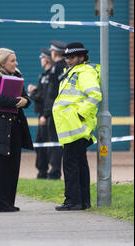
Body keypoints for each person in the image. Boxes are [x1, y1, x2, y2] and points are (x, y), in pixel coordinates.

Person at [0, 48, 33, 212]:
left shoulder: (17, 75)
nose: (16, 63)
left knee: (14, 166)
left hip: (15, 126)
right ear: (3, 62)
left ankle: (9, 202)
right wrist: (15, 102)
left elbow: (25, 97)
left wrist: (25, 101)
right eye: (12, 60)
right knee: (1, 167)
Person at [52, 42, 101, 211]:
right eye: (66, 57)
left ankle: (73, 201)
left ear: (81, 57)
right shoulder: (73, 72)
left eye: (72, 57)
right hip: (72, 127)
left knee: (71, 164)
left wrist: (80, 115)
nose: (68, 60)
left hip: (76, 126)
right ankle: (82, 201)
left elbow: (95, 95)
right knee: (79, 164)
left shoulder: (84, 72)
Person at [43, 40, 68, 179]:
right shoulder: (64, 67)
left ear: (54, 52)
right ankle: (55, 170)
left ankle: (55, 171)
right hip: (60, 110)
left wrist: (46, 113)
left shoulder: (56, 68)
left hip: (56, 111)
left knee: (55, 141)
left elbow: (52, 94)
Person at [28, 48, 53, 179]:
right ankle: (41, 171)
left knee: (48, 145)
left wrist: (32, 93)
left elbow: (46, 97)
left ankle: (51, 172)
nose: (41, 60)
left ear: (47, 59)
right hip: (42, 115)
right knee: (40, 144)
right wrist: (35, 90)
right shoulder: (43, 76)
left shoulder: (51, 75)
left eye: (42, 58)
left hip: (47, 115)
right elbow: (42, 93)